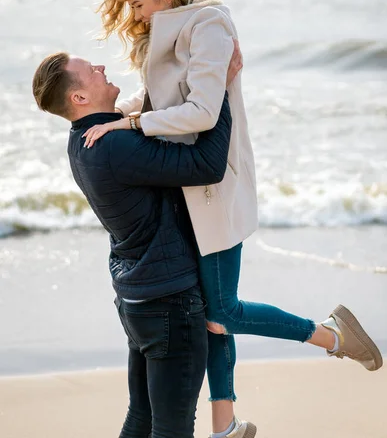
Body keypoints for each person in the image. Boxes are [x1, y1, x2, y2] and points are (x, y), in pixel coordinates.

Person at [84, 0, 382, 438]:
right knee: (207, 314)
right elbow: (164, 100)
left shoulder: (208, 27)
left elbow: (200, 112)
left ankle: (332, 335)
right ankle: (225, 426)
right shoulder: (170, 29)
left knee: (221, 312)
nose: (134, 16)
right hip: (184, 188)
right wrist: (121, 114)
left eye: (139, 4)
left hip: (214, 190)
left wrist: (132, 121)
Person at [32, 51, 238, 438]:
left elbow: (146, 108)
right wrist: (219, 91)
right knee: (171, 430)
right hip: (168, 304)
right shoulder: (114, 147)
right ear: (78, 98)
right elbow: (206, 165)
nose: (101, 68)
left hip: (139, 301)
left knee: (142, 419)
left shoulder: (85, 139)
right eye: (90, 71)